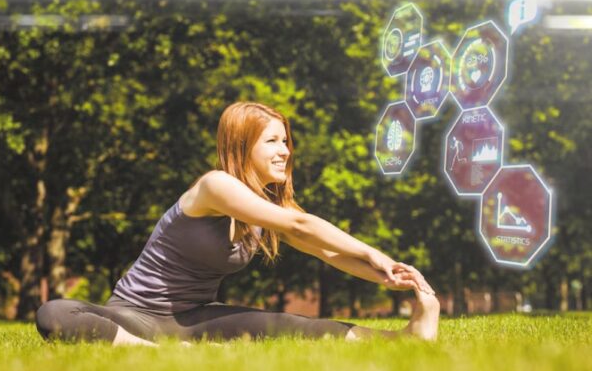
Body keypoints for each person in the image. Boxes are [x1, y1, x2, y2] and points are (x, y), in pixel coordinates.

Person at [35, 102, 439, 346]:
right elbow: (300, 226)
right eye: (272, 142)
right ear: (243, 146)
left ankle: (406, 339)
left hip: (195, 319)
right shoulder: (215, 187)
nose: (285, 151)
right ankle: (147, 352)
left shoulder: (262, 207)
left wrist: (389, 276)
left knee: (292, 325)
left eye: (285, 141)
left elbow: (323, 248)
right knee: (54, 313)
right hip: (135, 316)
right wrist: (373, 251)